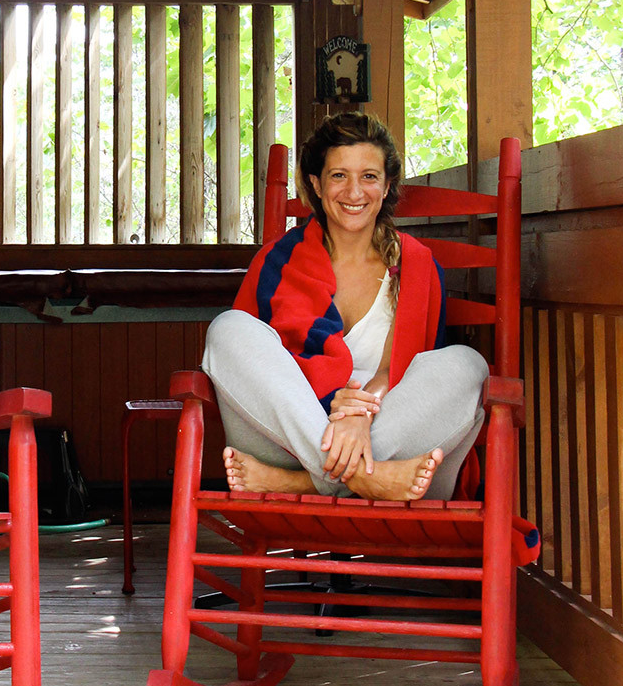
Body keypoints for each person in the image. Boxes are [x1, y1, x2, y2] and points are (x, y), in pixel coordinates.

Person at [202, 112, 488, 501]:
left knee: (468, 365)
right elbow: (258, 376)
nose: (354, 192)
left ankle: (314, 484)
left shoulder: (417, 266)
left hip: (390, 438)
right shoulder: (277, 262)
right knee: (228, 329)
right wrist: (333, 410)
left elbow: (402, 371)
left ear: (387, 186)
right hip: (294, 447)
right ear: (317, 185)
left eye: (369, 176)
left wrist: (358, 413)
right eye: (339, 176)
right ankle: (360, 480)